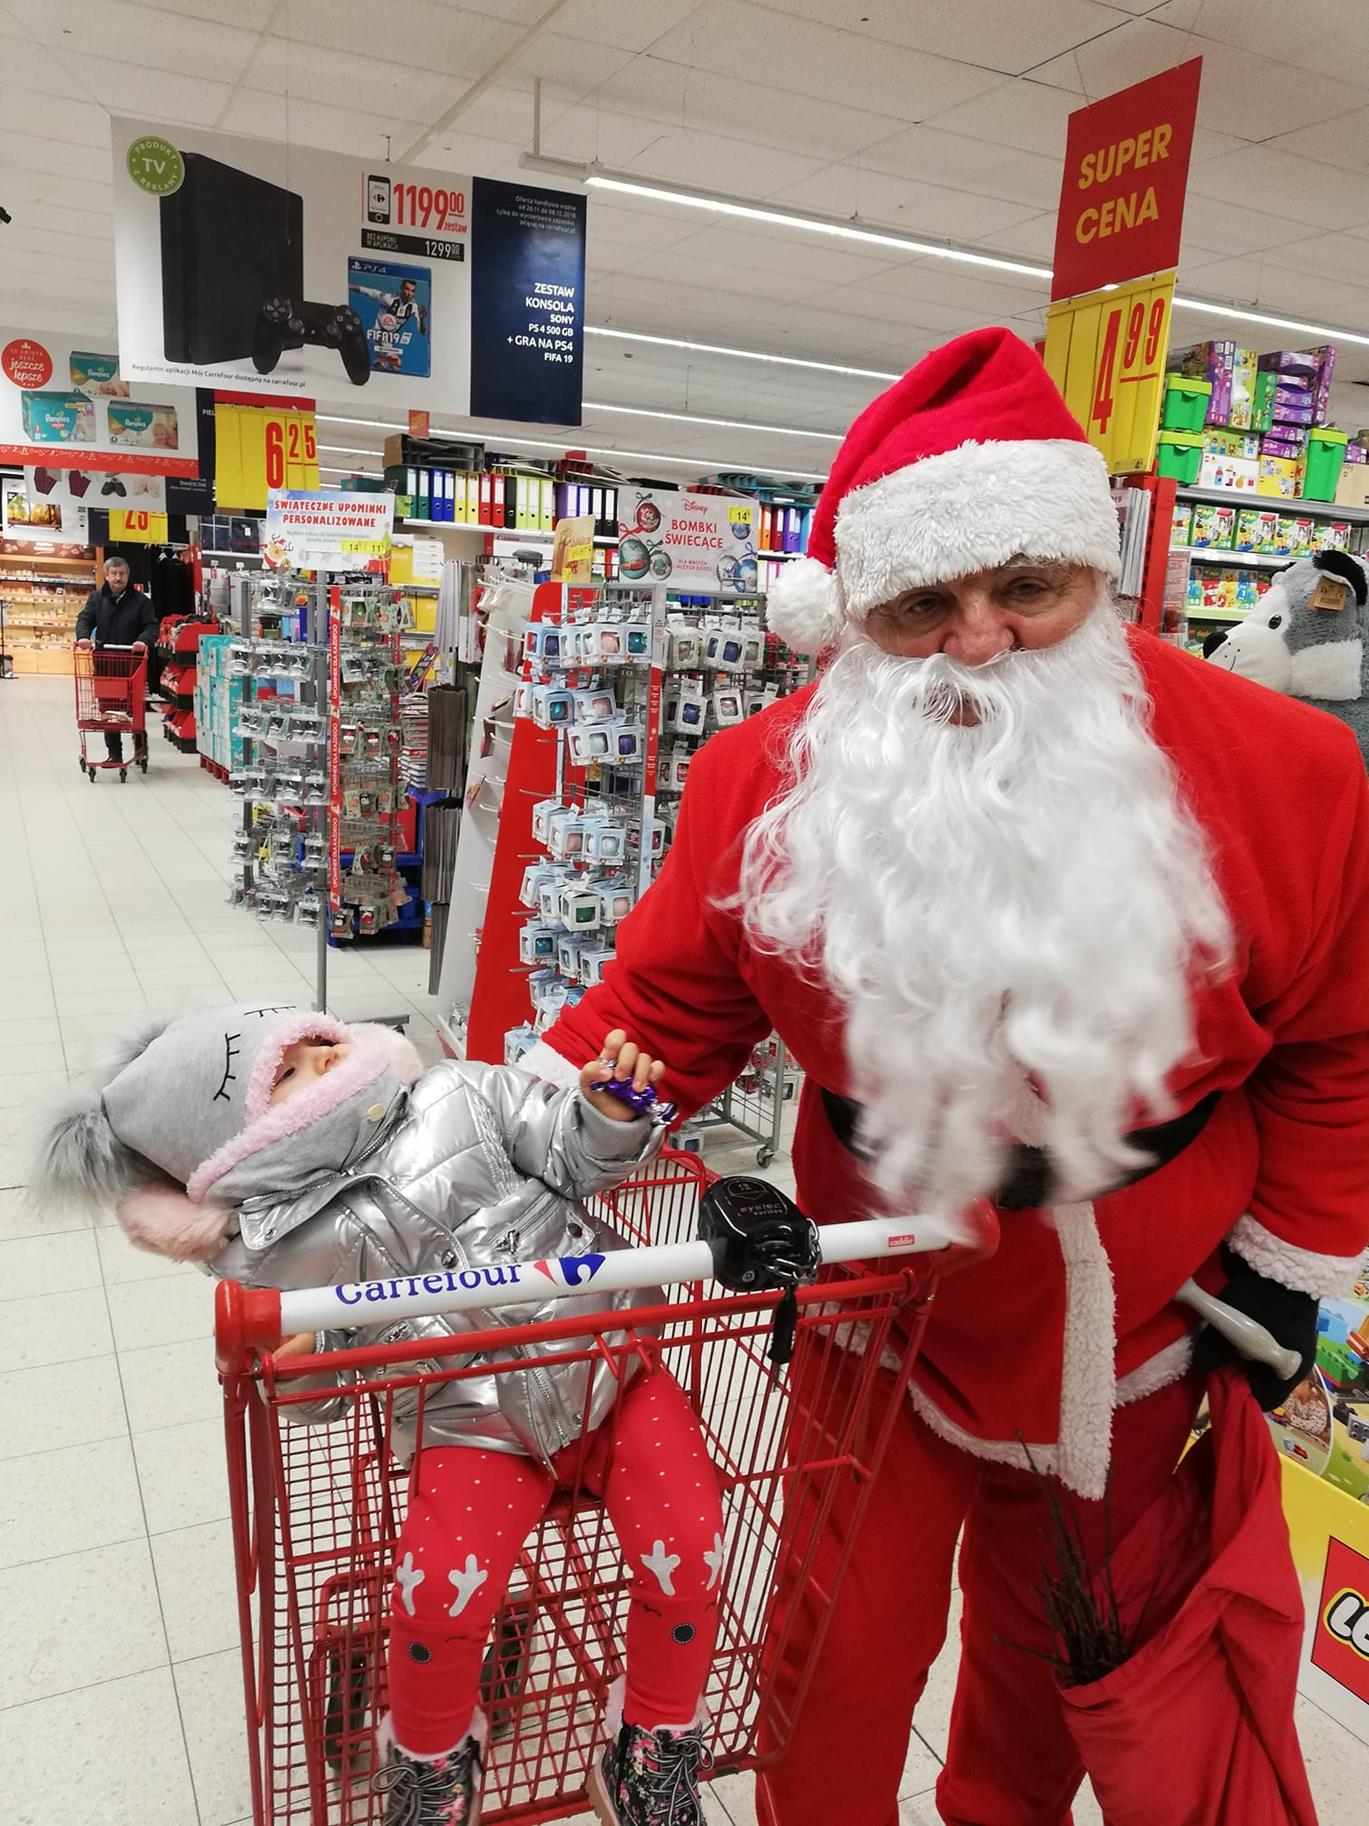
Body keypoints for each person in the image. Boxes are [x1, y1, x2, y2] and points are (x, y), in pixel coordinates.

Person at [524, 327, 1369, 1825]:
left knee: (1056, 1682)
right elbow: (656, 1011)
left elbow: (1341, 1038)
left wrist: (1287, 1267)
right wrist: (465, 1148)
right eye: (922, 605)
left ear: (1093, 573)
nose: (979, 643)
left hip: (1142, 1321)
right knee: (833, 1663)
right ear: (855, 616)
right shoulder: (762, 785)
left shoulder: (1288, 774)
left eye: (1026, 587)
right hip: (874, 1306)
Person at [35, 1009, 723, 1826]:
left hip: (616, 1362)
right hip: (469, 1418)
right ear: (237, 1141)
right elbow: (326, 1385)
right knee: (435, 1592)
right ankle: (431, 1770)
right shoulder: (271, 1250)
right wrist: (300, 1366)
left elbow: (570, 1155)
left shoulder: (459, 1092)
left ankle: (650, 1747)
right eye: (288, 1070)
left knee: (691, 1545)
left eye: (314, 1039)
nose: (327, 1054)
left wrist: (607, 1118)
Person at [75, 554, 158, 764]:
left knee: (134, 708)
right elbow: (85, 618)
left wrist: (143, 641)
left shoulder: (141, 601)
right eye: (114, 574)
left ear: (128, 576)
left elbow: (151, 626)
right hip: (105, 663)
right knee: (108, 709)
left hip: (132, 664)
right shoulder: (97, 598)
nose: (118, 578)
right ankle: (115, 753)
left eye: (122, 574)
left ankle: (140, 748)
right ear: (106, 575)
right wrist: (83, 636)